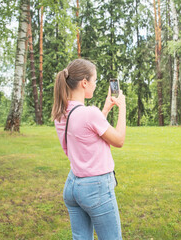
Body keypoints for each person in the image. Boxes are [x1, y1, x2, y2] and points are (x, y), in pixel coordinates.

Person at [51, 59, 126, 240]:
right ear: (84, 82)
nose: (95, 84)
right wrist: (122, 108)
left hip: (73, 186)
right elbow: (119, 140)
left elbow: (86, 132)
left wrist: (106, 109)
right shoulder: (89, 113)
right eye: (94, 80)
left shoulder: (60, 114)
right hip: (96, 188)